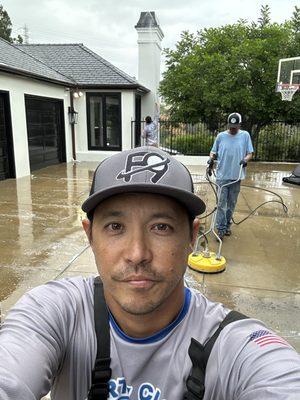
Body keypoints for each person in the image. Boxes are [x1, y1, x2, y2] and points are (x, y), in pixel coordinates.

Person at [0, 146, 299, 400]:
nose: (137, 254)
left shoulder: (233, 345)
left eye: (161, 227)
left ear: (192, 236)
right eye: (115, 227)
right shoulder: (56, 312)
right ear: (90, 236)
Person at [208, 112, 254, 239]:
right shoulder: (221, 136)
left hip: (236, 176)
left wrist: (245, 160)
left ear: (239, 124)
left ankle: (227, 225)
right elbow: (213, 151)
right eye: (231, 126)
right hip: (222, 176)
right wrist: (211, 159)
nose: (232, 128)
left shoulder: (245, 135)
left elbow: (250, 153)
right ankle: (221, 229)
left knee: (231, 204)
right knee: (221, 204)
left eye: (235, 126)